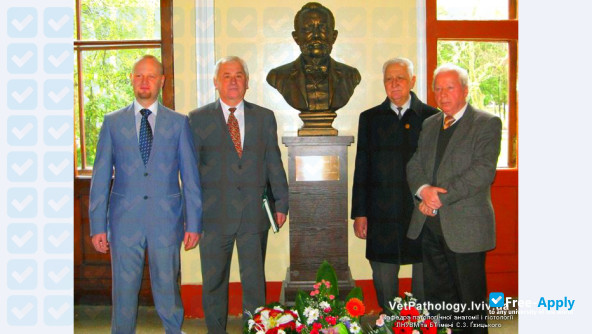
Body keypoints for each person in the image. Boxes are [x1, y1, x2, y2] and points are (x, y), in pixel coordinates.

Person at [89, 55, 202, 334]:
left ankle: (173, 330)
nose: (144, 82)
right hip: (123, 220)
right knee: (124, 290)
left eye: (151, 76)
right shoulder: (112, 122)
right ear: (131, 78)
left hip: (167, 220)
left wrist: (194, 223)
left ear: (162, 81)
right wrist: (97, 226)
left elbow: (190, 177)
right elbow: (101, 176)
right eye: (139, 75)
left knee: (167, 285)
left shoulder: (178, 123)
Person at [188, 56, 289, 333]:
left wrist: (281, 203)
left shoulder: (264, 117)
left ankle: (253, 329)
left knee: (255, 281)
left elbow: (273, 163)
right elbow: (191, 172)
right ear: (216, 82)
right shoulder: (197, 119)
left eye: (238, 76)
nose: (233, 81)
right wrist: (192, 217)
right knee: (214, 282)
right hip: (213, 215)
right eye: (226, 76)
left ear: (246, 82)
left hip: (254, 215)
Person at [406, 64, 502, 333]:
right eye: (438, 88)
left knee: (469, 303)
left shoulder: (486, 123)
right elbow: (415, 164)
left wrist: (438, 198)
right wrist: (423, 189)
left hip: (466, 229)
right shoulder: (430, 123)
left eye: (450, 87)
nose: (443, 94)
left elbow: (482, 172)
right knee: (439, 301)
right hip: (430, 225)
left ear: (465, 90)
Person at [351, 58, 438, 313]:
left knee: (424, 268)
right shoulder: (370, 118)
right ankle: (389, 321)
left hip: (420, 209)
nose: (395, 83)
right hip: (381, 211)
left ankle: (421, 322)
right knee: (383, 272)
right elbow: (362, 167)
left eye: (400, 78)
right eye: (389, 78)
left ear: (412, 81)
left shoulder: (431, 117)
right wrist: (360, 212)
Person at [266, 2, 360, 113]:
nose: (316, 35)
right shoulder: (278, 76)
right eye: (307, 30)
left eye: (323, 28)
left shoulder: (350, 75)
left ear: (334, 36)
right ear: (296, 38)